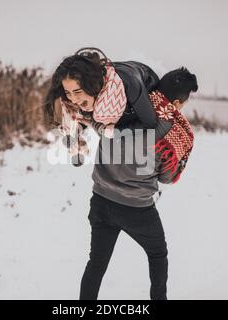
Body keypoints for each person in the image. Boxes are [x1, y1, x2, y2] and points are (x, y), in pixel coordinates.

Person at [79, 67, 198, 300]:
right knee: (157, 255)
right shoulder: (170, 128)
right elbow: (166, 178)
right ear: (176, 102)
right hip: (137, 209)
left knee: (96, 264)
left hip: (101, 201)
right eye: (182, 105)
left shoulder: (118, 105)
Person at [44, 48, 160, 165]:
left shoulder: (130, 84)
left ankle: (90, 129)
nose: (73, 99)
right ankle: (79, 132)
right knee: (82, 114)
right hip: (102, 105)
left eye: (77, 91)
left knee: (113, 138)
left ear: (91, 85)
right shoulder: (82, 98)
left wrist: (115, 131)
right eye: (68, 92)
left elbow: (149, 122)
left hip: (142, 93)